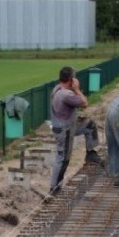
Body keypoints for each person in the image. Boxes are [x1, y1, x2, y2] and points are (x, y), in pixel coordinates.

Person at [49, 66, 102, 195]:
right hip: (64, 129)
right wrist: (77, 89)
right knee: (63, 159)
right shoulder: (66, 94)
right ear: (71, 79)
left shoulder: (57, 89)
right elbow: (84, 103)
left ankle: (91, 153)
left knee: (89, 125)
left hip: (69, 124)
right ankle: (54, 188)